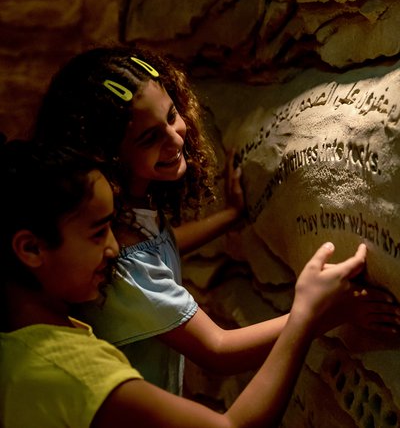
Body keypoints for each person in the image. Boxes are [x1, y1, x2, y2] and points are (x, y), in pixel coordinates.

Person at [33, 46, 400, 395]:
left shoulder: (127, 215)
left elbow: (162, 243)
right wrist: (322, 312)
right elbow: (219, 350)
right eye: (149, 137)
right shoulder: (121, 259)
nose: (173, 138)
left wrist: (230, 218)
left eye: (172, 115)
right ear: (105, 152)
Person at [0, 135, 395, 428]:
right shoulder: (74, 373)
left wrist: (228, 217)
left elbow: (164, 244)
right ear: (31, 248)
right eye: (98, 232)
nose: (114, 248)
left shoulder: (26, 338)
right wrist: (307, 314)